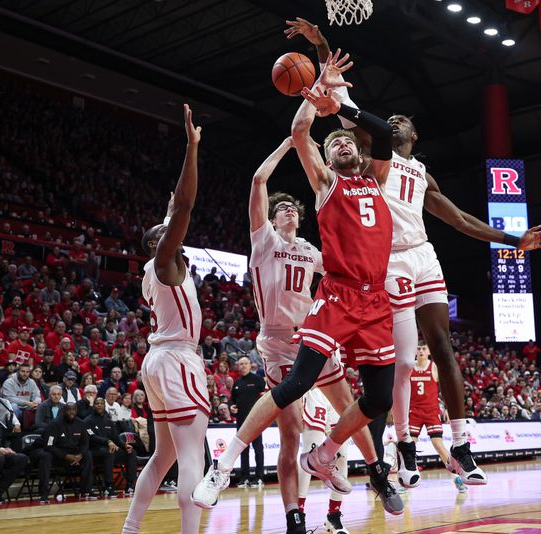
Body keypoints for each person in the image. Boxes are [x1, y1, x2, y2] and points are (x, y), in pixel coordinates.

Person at [285, 16, 541, 489]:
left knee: (444, 350)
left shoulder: (422, 175)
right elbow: (337, 87)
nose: (394, 121)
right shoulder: (372, 160)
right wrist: (322, 44)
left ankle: (460, 445)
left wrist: (516, 241)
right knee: (405, 364)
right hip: (383, 262)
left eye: (402, 120)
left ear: (415, 135)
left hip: (424, 256)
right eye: (389, 121)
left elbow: (461, 220)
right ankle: (404, 446)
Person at [194, 51, 402, 516]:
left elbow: (385, 132)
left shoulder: (377, 178)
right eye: (335, 146)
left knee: (379, 398)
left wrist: (343, 107)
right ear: (325, 160)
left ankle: (328, 455)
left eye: (347, 143)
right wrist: (316, 98)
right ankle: (223, 468)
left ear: (360, 151)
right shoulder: (326, 183)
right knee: (294, 386)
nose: (342, 145)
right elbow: (299, 134)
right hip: (336, 299)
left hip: (376, 301)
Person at [242, 132, 365, 532]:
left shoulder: (311, 251)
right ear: (273, 219)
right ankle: (295, 517)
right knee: (291, 433)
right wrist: (289, 146)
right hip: (277, 343)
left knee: (342, 416)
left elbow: (341, 272)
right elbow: (259, 181)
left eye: (291, 209)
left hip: (311, 339)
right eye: (281, 210)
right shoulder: (263, 241)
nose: (287, 212)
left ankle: (349, 492)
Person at [122, 104, 208, 534]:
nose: (173, 231)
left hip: (158, 362)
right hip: (177, 359)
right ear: (161, 242)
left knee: (163, 457)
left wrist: (174, 204)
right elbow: (185, 204)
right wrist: (191, 148)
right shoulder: (164, 260)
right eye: (167, 230)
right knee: (194, 458)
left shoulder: (156, 271)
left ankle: (130, 528)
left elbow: (177, 205)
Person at [408, 343, 466, 492]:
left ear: (428, 351)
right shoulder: (409, 367)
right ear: (415, 351)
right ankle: (407, 481)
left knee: (439, 446)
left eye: (423, 349)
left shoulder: (433, 367)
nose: (421, 351)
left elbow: (446, 387)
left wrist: (447, 407)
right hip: (413, 411)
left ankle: (457, 478)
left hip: (431, 411)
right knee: (409, 447)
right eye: (418, 348)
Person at [297, 387, 351, 533]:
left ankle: (333, 516)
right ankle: (298, 518)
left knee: (342, 455)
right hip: (314, 387)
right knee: (309, 454)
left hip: (336, 389)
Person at [36, 403, 96, 502]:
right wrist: (66, 456)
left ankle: (86, 490)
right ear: (64, 411)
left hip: (74, 455)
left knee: (88, 454)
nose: (71, 412)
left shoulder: (81, 424)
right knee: (46, 456)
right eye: (69, 409)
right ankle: (43, 494)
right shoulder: (54, 424)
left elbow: (85, 443)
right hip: (58, 455)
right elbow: (49, 446)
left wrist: (80, 455)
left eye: (74, 409)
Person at [84, 396, 137, 497]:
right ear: (93, 406)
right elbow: (92, 437)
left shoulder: (108, 421)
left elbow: (116, 438)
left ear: (104, 406)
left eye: (101, 403)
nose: (99, 405)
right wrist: (107, 441)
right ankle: (108, 486)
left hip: (109, 449)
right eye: (97, 403)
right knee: (109, 452)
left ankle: (130, 485)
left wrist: (125, 445)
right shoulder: (87, 421)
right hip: (94, 451)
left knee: (131, 452)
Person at [229, 357, 265, 488]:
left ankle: (259, 477)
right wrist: (231, 406)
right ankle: (244, 478)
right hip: (241, 421)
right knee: (243, 450)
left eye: (245, 364)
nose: (243, 366)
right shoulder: (237, 382)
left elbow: (266, 397)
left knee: (258, 449)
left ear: (250, 365)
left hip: (256, 421)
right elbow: (232, 400)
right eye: (240, 364)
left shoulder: (258, 380)